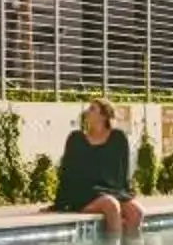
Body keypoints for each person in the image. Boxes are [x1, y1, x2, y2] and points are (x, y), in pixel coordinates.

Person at [52, 99, 142, 234]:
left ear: (103, 116)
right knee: (111, 205)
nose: (87, 112)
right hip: (83, 193)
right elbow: (66, 171)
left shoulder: (118, 138)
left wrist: (125, 193)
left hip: (110, 191)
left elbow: (123, 170)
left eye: (92, 109)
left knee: (136, 211)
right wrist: (59, 203)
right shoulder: (76, 139)